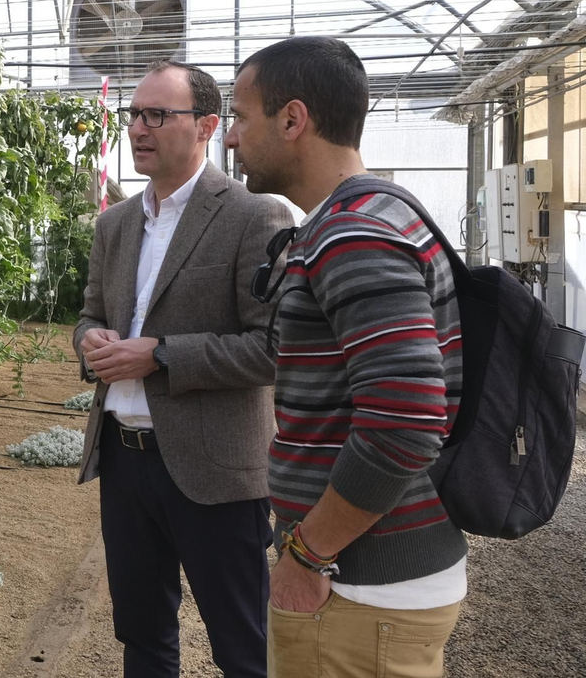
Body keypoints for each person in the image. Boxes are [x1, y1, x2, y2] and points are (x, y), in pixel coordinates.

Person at [224, 36, 465, 678]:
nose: (229, 138)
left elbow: (406, 422)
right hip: (371, 583)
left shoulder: (352, 234)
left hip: (359, 591)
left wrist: (308, 556)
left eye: (240, 118)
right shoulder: (377, 212)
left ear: (293, 120)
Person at [74, 60, 294, 678]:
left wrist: (161, 353)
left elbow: (272, 347)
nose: (138, 129)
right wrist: (92, 343)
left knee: (244, 645)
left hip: (216, 471)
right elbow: (88, 316)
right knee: (142, 639)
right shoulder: (116, 222)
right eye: (133, 115)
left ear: (206, 126)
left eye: (156, 115)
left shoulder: (254, 216)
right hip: (124, 461)